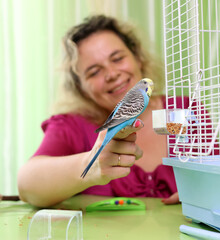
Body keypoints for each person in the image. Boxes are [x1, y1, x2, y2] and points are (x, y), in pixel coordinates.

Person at [17, 15, 179, 207]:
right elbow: (27, 185)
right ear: (80, 87)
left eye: (118, 59)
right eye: (94, 72)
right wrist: (91, 164)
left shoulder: (184, 110)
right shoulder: (72, 125)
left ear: (138, 59)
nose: (111, 74)